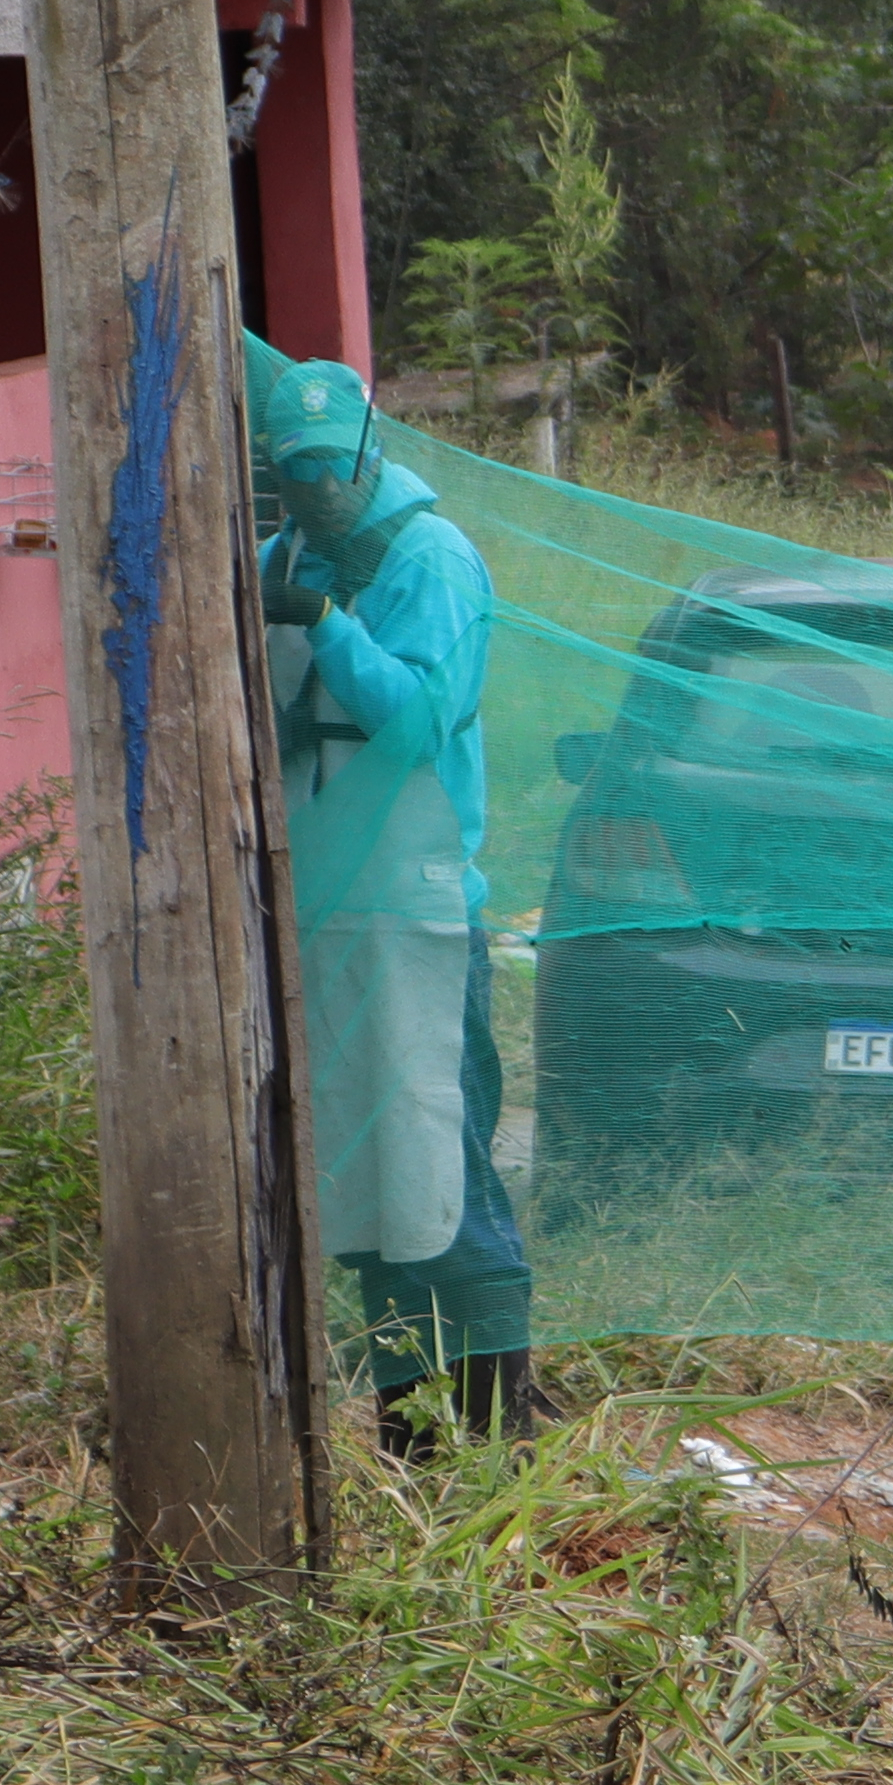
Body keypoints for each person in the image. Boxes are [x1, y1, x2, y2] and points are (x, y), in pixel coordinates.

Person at [251, 342, 535, 1441]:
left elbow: (417, 723)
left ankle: (497, 1441)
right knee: (370, 1188)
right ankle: (415, 1441)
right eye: (298, 470)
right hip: (322, 917)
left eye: (336, 464)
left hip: (419, 919)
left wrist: (328, 626)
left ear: (372, 448)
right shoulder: (285, 552)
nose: (321, 487)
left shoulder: (431, 558)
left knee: (441, 1171)